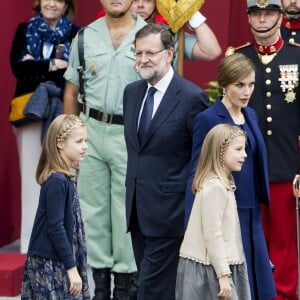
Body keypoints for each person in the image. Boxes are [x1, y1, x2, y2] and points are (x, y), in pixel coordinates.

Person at [63, 0, 146, 298]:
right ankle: (99, 285)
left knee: (127, 210)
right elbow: (72, 90)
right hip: (92, 129)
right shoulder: (85, 37)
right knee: (91, 209)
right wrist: (70, 140)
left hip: (131, 132)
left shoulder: (147, 36)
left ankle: (125, 286)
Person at [123, 23, 210, 300]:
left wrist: (189, 209)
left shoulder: (191, 97)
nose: (143, 59)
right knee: (159, 288)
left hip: (170, 214)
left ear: (170, 53)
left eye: (151, 52)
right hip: (136, 211)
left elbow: (200, 159)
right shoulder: (132, 93)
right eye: (138, 53)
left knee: (150, 288)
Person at [184, 53, 277, 299]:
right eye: (240, 85)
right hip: (226, 212)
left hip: (252, 212)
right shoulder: (208, 119)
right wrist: (192, 223)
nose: (247, 91)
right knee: (236, 284)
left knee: (260, 284)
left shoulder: (251, 115)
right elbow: (198, 170)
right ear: (224, 84)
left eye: (251, 84)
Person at [226, 1, 300, 299]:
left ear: (280, 16)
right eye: (256, 13)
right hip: (246, 166)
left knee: (283, 243)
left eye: (268, 13)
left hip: (285, 165)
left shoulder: (296, 55)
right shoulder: (238, 57)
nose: (262, 19)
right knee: (247, 240)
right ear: (248, 17)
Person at [10, 0, 80, 253]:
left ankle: (64, 241)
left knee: (62, 175)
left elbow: (75, 71)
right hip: (30, 113)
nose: (52, 3)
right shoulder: (23, 29)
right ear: (38, 3)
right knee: (32, 177)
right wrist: (53, 64)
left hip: (64, 110)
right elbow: (17, 68)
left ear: (66, 5)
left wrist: (36, 63)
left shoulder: (76, 33)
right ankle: (30, 244)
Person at [176, 124, 251, 300]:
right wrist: (223, 275)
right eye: (238, 149)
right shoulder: (214, 187)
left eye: (244, 149)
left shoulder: (223, 184)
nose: (244, 155)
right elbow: (213, 234)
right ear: (220, 151)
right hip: (211, 269)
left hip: (220, 264)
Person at [21, 114, 89, 299]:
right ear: (60, 143)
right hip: (50, 262)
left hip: (59, 259)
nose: (85, 146)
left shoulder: (64, 179)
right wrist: (72, 268)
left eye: (85, 140)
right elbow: (56, 227)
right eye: (79, 141)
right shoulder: (56, 181)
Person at [131, 0, 222, 67]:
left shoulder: (170, 35)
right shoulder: (118, 32)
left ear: (158, 4)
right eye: (135, 0)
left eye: (148, 0)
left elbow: (212, 51)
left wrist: (189, 11)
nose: (140, 5)